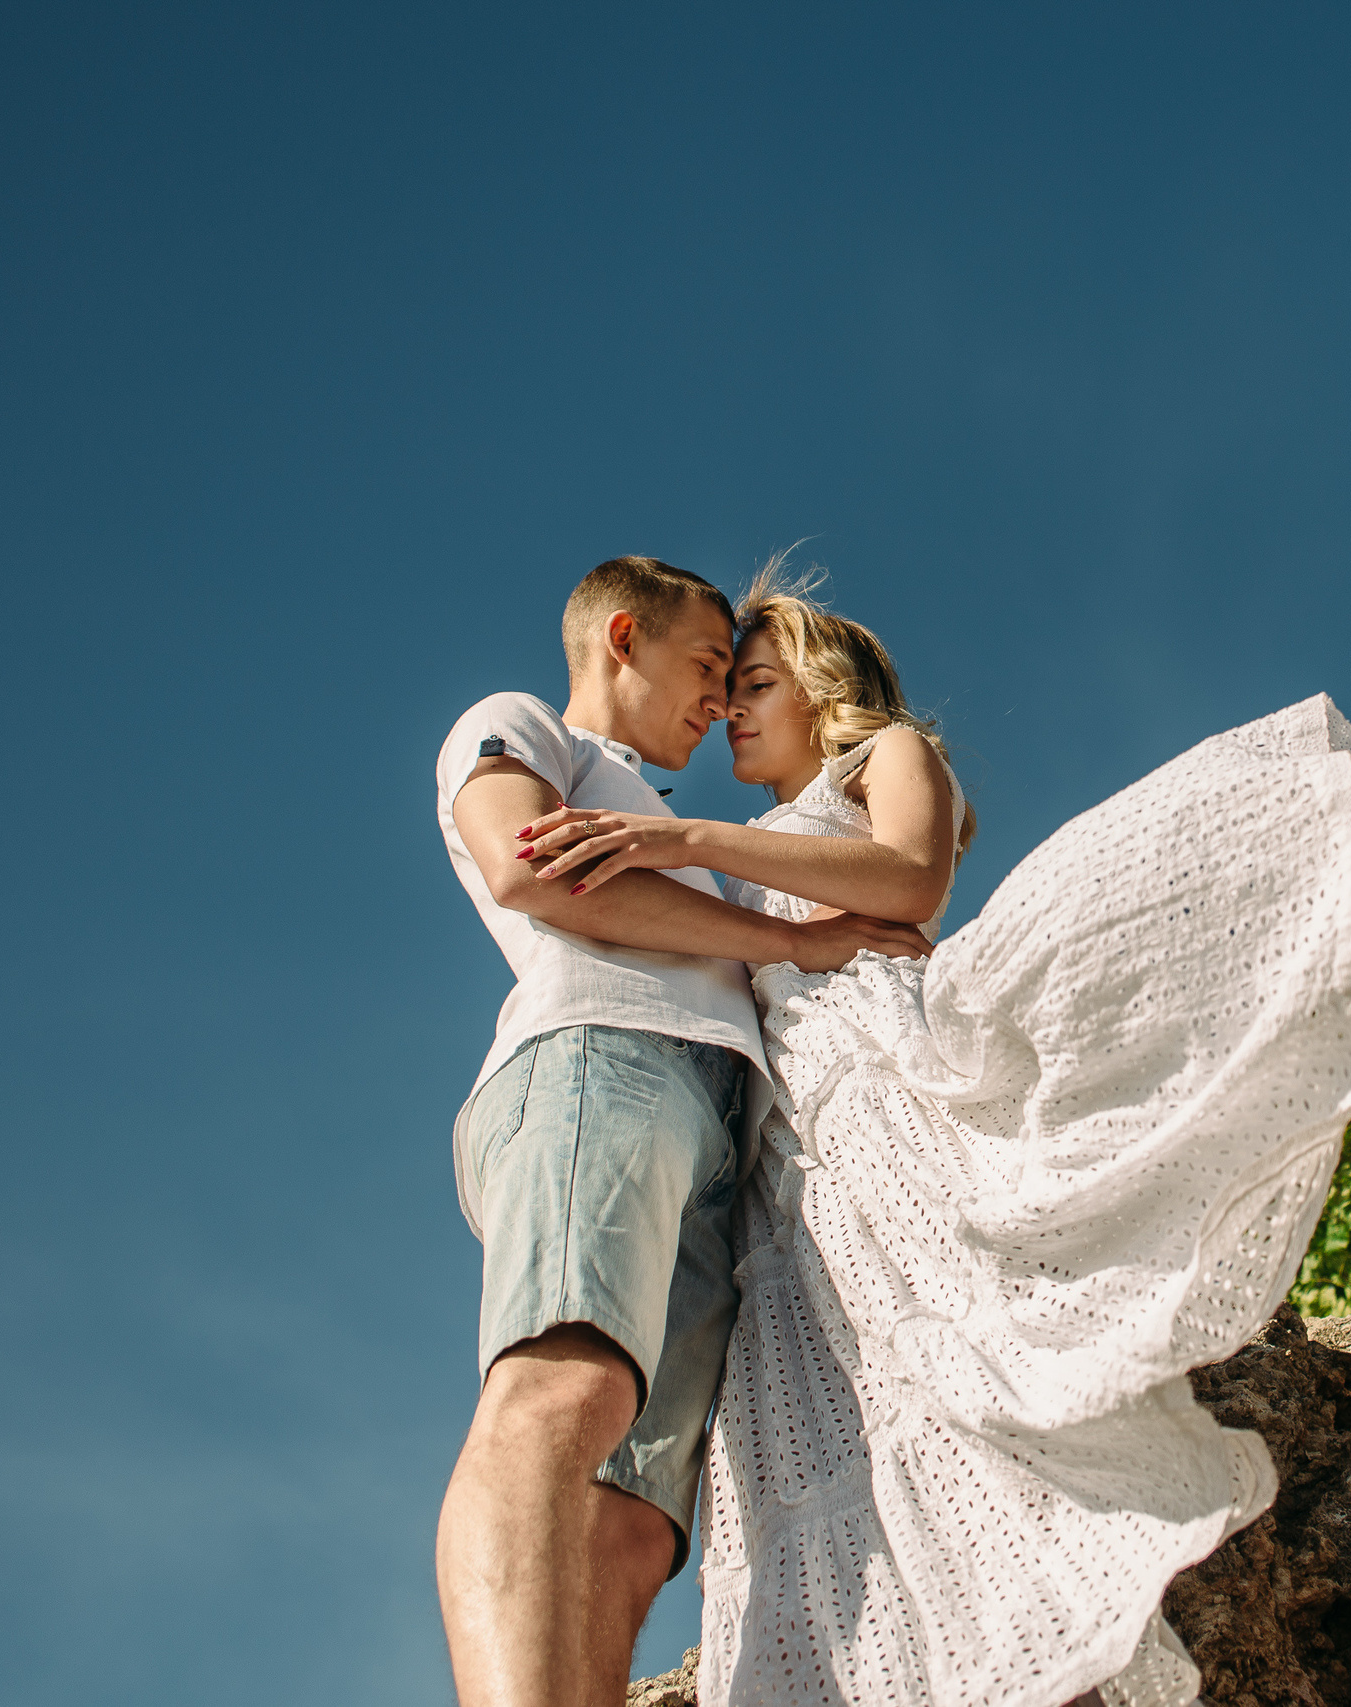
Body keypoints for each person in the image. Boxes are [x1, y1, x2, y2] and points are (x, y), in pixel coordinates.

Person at [518, 559, 1351, 1707]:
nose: (729, 710)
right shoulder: (739, 841)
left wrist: (693, 839)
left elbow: (907, 877)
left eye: (753, 681)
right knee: (828, 1441)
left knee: (959, 1366)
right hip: (776, 1171)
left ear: (819, 685)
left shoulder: (884, 756)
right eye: (725, 684)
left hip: (878, 1088)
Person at [432, 556, 934, 1707]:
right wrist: (799, 942)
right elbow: (530, 868)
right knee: (566, 1392)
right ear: (623, 638)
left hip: (721, 1132)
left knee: (639, 1518)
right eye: (708, 665)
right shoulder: (517, 727)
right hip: (600, 1060)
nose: (716, 703)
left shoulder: (671, 819)